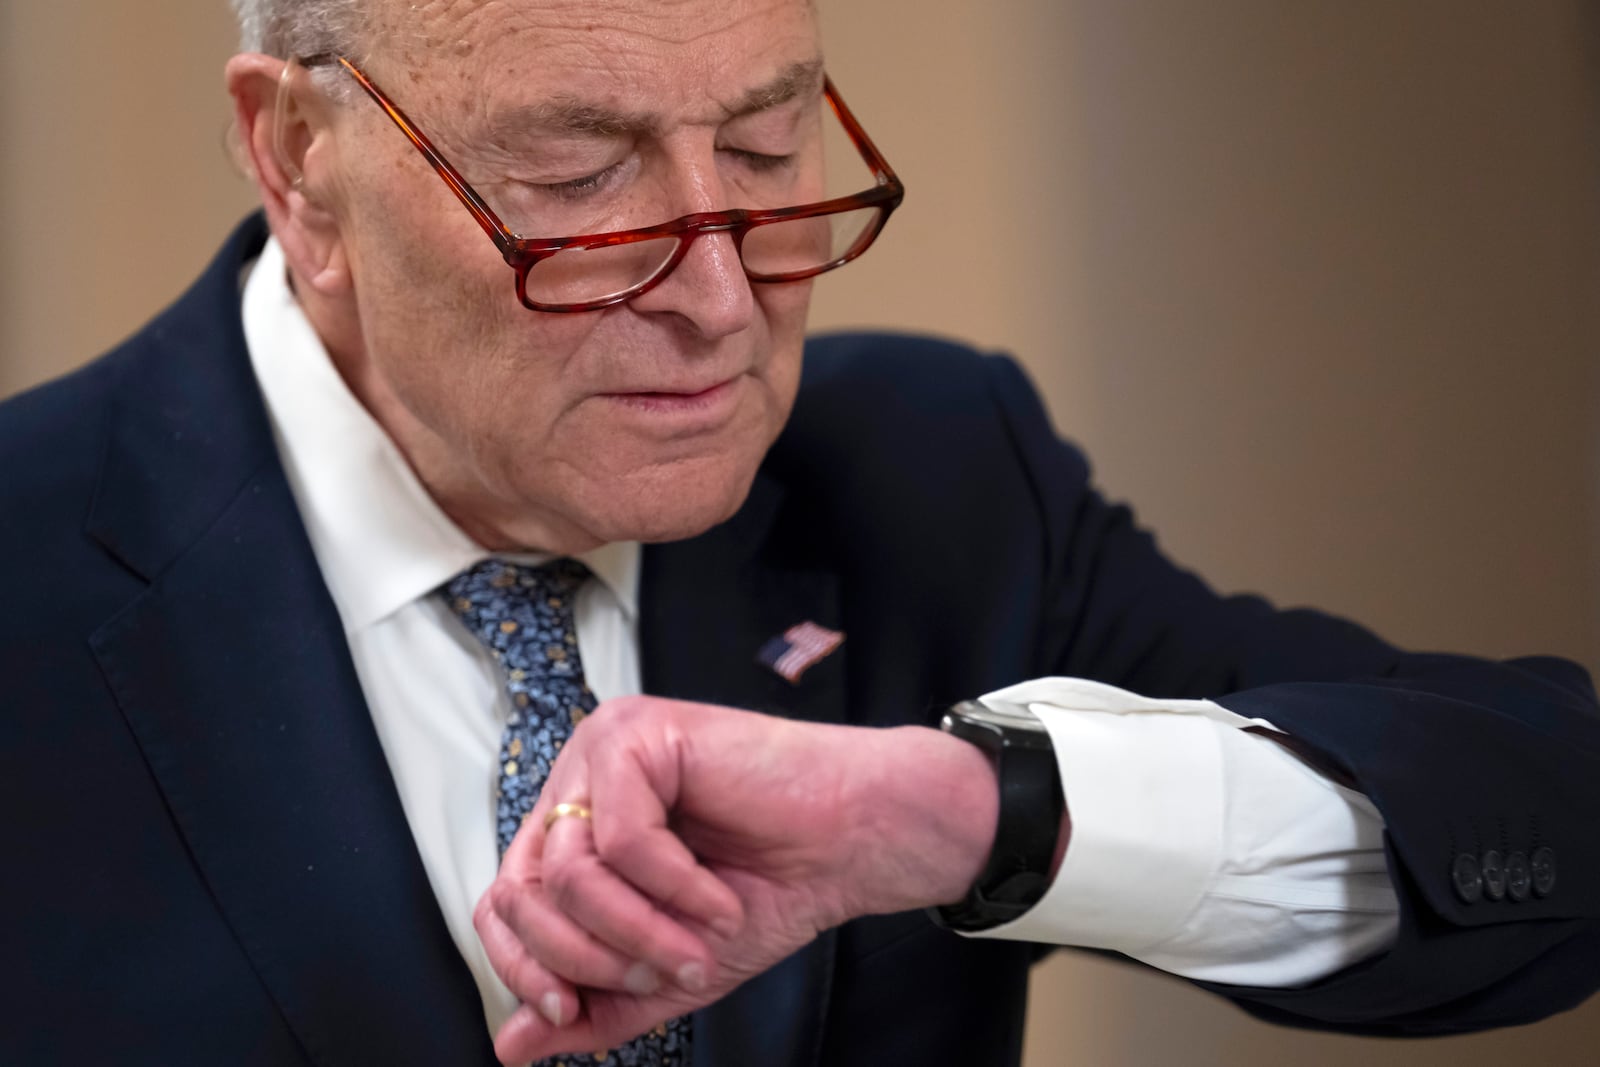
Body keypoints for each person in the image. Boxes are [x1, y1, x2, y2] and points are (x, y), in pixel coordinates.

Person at [0, 0, 1596, 1066]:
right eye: (577, 175)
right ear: (299, 160)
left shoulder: (936, 477)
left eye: (767, 150)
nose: (718, 300)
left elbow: (1545, 819)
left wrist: (982, 815)